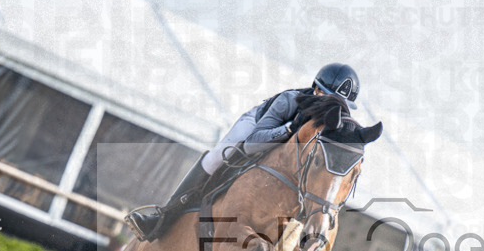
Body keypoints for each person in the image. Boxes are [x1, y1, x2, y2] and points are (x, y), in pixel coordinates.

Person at [126, 63, 361, 241]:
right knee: (219, 155)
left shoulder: (333, 127)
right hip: (257, 129)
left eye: (340, 106)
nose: (333, 111)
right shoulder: (289, 101)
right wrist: (291, 128)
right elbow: (252, 143)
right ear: (316, 91)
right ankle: (165, 216)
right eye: (330, 100)